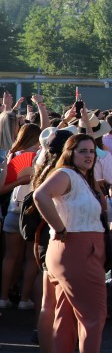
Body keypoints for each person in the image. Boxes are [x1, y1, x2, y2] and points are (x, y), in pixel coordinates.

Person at [32, 133, 107, 353]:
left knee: (65, 316)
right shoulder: (67, 174)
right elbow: (40, 195)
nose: (89, 155)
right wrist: (60, 228)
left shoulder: (81, 177)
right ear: (70, 153)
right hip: (76, 249)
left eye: (92, 151)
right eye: (82, 151)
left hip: (74, 250)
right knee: (93, 316)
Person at [0, 122, 41, 310]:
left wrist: (18, 182)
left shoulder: (12, 156)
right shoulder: (41, 158)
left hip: (13, 210)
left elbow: (2, 188)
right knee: (31, 258)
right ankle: (25, 299)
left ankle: (3, 296)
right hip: (34, 212)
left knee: (10, 256)